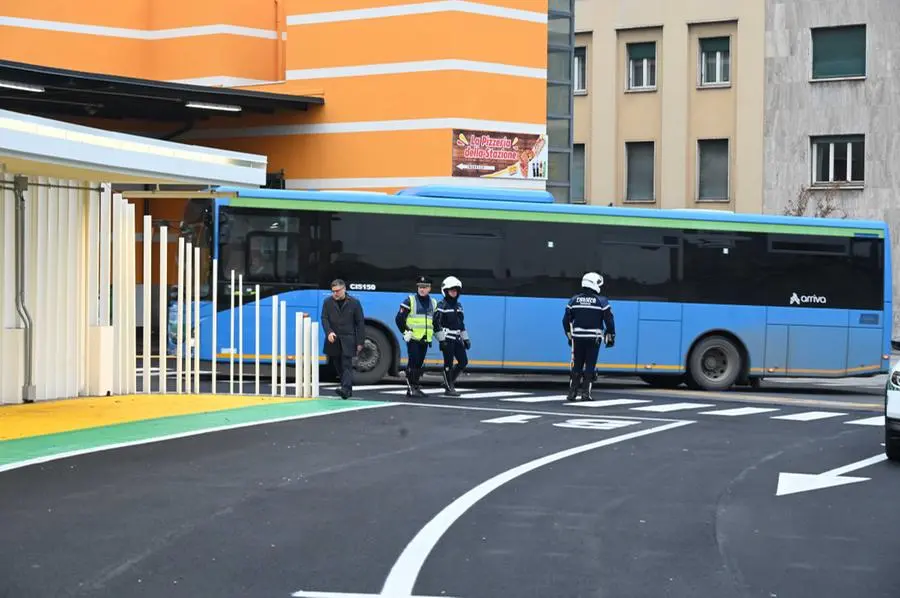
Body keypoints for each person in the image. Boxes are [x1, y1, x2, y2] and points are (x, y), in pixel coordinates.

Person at [562, 271, 615, 401]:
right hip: (594, 338)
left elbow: (565, 320)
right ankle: (586, 393)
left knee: (577, 365)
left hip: (577, 338)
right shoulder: (602, 301)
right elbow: (609, 320)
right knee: (590, 366)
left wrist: (569, 335)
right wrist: (611, 334)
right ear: (594, 284)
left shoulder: (574, 300)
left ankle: (572, 393)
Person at [321, 278, 365, 399]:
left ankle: (345, 389)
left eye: (338, 291)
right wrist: (329, 332)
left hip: (348, 339)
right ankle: (346, 388)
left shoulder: (354, 303)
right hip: (334, 339)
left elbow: (360, 323)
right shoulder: (327, 302)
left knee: (346, 364)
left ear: (344, 289)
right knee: (337, 364)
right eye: (333, 291)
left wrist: (360, 342)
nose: (335, 293)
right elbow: (324, 318)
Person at [395, 276, 438, 397]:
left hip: (425, 338)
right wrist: (406, 332)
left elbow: (435, 322)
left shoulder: (433, 303)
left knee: (419, 364)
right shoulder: (410, 300)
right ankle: (410, 388)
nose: (422, 289)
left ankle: (415, 386)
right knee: (413, 362)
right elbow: (399, 318)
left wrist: (440, 337)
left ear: (429, 288)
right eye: (420, 287)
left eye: (424, 287)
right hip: (413, 338)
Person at [433, 276, 470, 397]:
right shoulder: (441, 305)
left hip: (457, 337)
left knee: (463, 361)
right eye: (451, 290)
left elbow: (461, 324)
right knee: (448, 363)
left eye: (456, 290)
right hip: (447, 338)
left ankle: (448, 381)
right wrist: (441, 339)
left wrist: (466, 338)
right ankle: (449, 387)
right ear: (445, 291)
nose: (454, 292)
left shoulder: (459, 306)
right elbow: (436, 323)